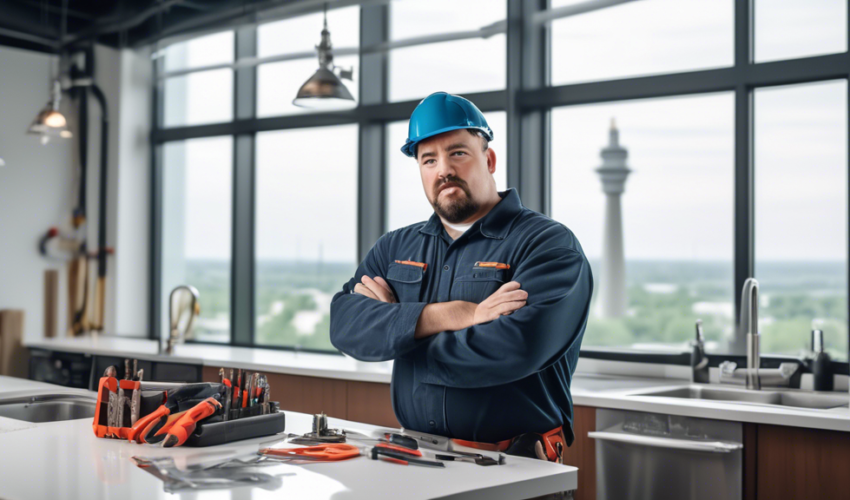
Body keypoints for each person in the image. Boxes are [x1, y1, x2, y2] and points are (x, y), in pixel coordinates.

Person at [329, 91, 593, 463]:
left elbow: (514, 348)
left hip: (516, 464)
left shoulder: (547, 245)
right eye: (429, 159)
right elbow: (344, 325)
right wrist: (455, 315)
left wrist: (399, 334)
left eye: (457, 153)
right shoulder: (395, 247)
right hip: (417, 459)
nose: (443, 170)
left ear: (488, 159)